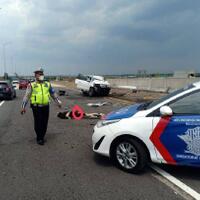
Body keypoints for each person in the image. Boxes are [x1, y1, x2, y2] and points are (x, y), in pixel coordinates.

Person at [21, 68, 62, 145]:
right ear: (35, 75)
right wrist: (23, 107)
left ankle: (42, 136)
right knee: (38, 122)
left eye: (42, 74)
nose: (41, 75)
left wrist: (58, 102)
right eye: (39, 74)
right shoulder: (31, 85)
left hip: (46, 106)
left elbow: (53, 94)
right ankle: (39, 138)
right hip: (36, 107)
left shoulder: (47, 84)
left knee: (44, 122)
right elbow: (26, 96)